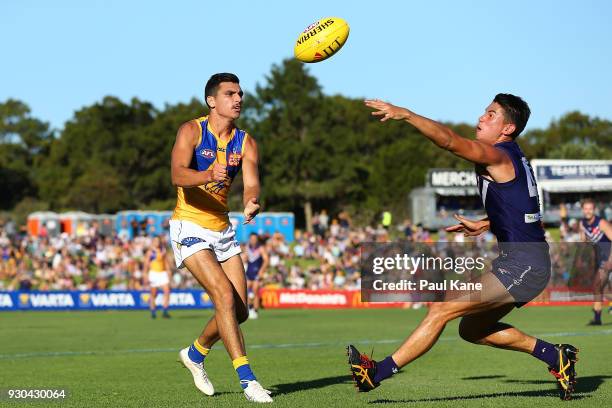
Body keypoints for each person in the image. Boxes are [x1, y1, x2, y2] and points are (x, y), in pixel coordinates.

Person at [348, 94, 578, 400]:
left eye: (491, 114)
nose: (482, 117)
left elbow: (448, 141)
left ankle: (376, 373)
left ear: (507, 128)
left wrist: (406, 114)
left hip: (525, 265)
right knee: (471, 330)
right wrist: (487, 222)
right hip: (524, 262)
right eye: (485, 112)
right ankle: (554, 356)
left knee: (442, 308)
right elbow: (523, 209)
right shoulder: (513, 157)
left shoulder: (497, 155)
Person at [170, 73, 272, 403]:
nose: (238, 99)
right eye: (230, 94)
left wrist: (252, 199)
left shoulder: (246, 141)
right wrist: (206, 175)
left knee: (239, 311)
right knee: (223, 297)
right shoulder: (191, 130)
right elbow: (176, 174)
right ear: (212, 101)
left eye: (240, 93)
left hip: (222, 228)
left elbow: (252, 180)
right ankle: (248, 379)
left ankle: (195, 354)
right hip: (189, 226)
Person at [579, 198, 612, 325]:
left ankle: (598, 317)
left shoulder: (601, 223)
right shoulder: (582, 223)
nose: (588, 211)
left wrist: (610, 260)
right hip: (602, 258)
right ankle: (597, 318)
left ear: (594, 210)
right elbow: (584, 241)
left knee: (599, 285)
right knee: (598, 287)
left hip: (609, 257)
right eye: (586, 209)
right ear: (583, 210)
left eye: (590, 209)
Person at [143, 236, 172, 319]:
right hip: (154, 274)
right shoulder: (150, 252)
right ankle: (153, 312)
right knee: (153, 294)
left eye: (158, 241)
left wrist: (168, 270)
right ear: (153, 242)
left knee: (167, 292)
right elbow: (146, 264)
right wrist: (145, 274)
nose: (157, 243)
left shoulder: (163, 251)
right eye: (155, 241)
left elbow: (165, 262)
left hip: (163, 273)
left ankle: (165, 311)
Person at [243, 233, 269, 319]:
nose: (253, 240)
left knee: (255, 291)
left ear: (257, 239)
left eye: (254, 238)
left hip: (257, 272)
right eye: (251, 238)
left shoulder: (261, 248)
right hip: (249, 272)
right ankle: (249, 309)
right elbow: (246, 258)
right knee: (246, 291)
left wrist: (261, 271)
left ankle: (255, 311)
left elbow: (266, 260)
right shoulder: (247, 247)